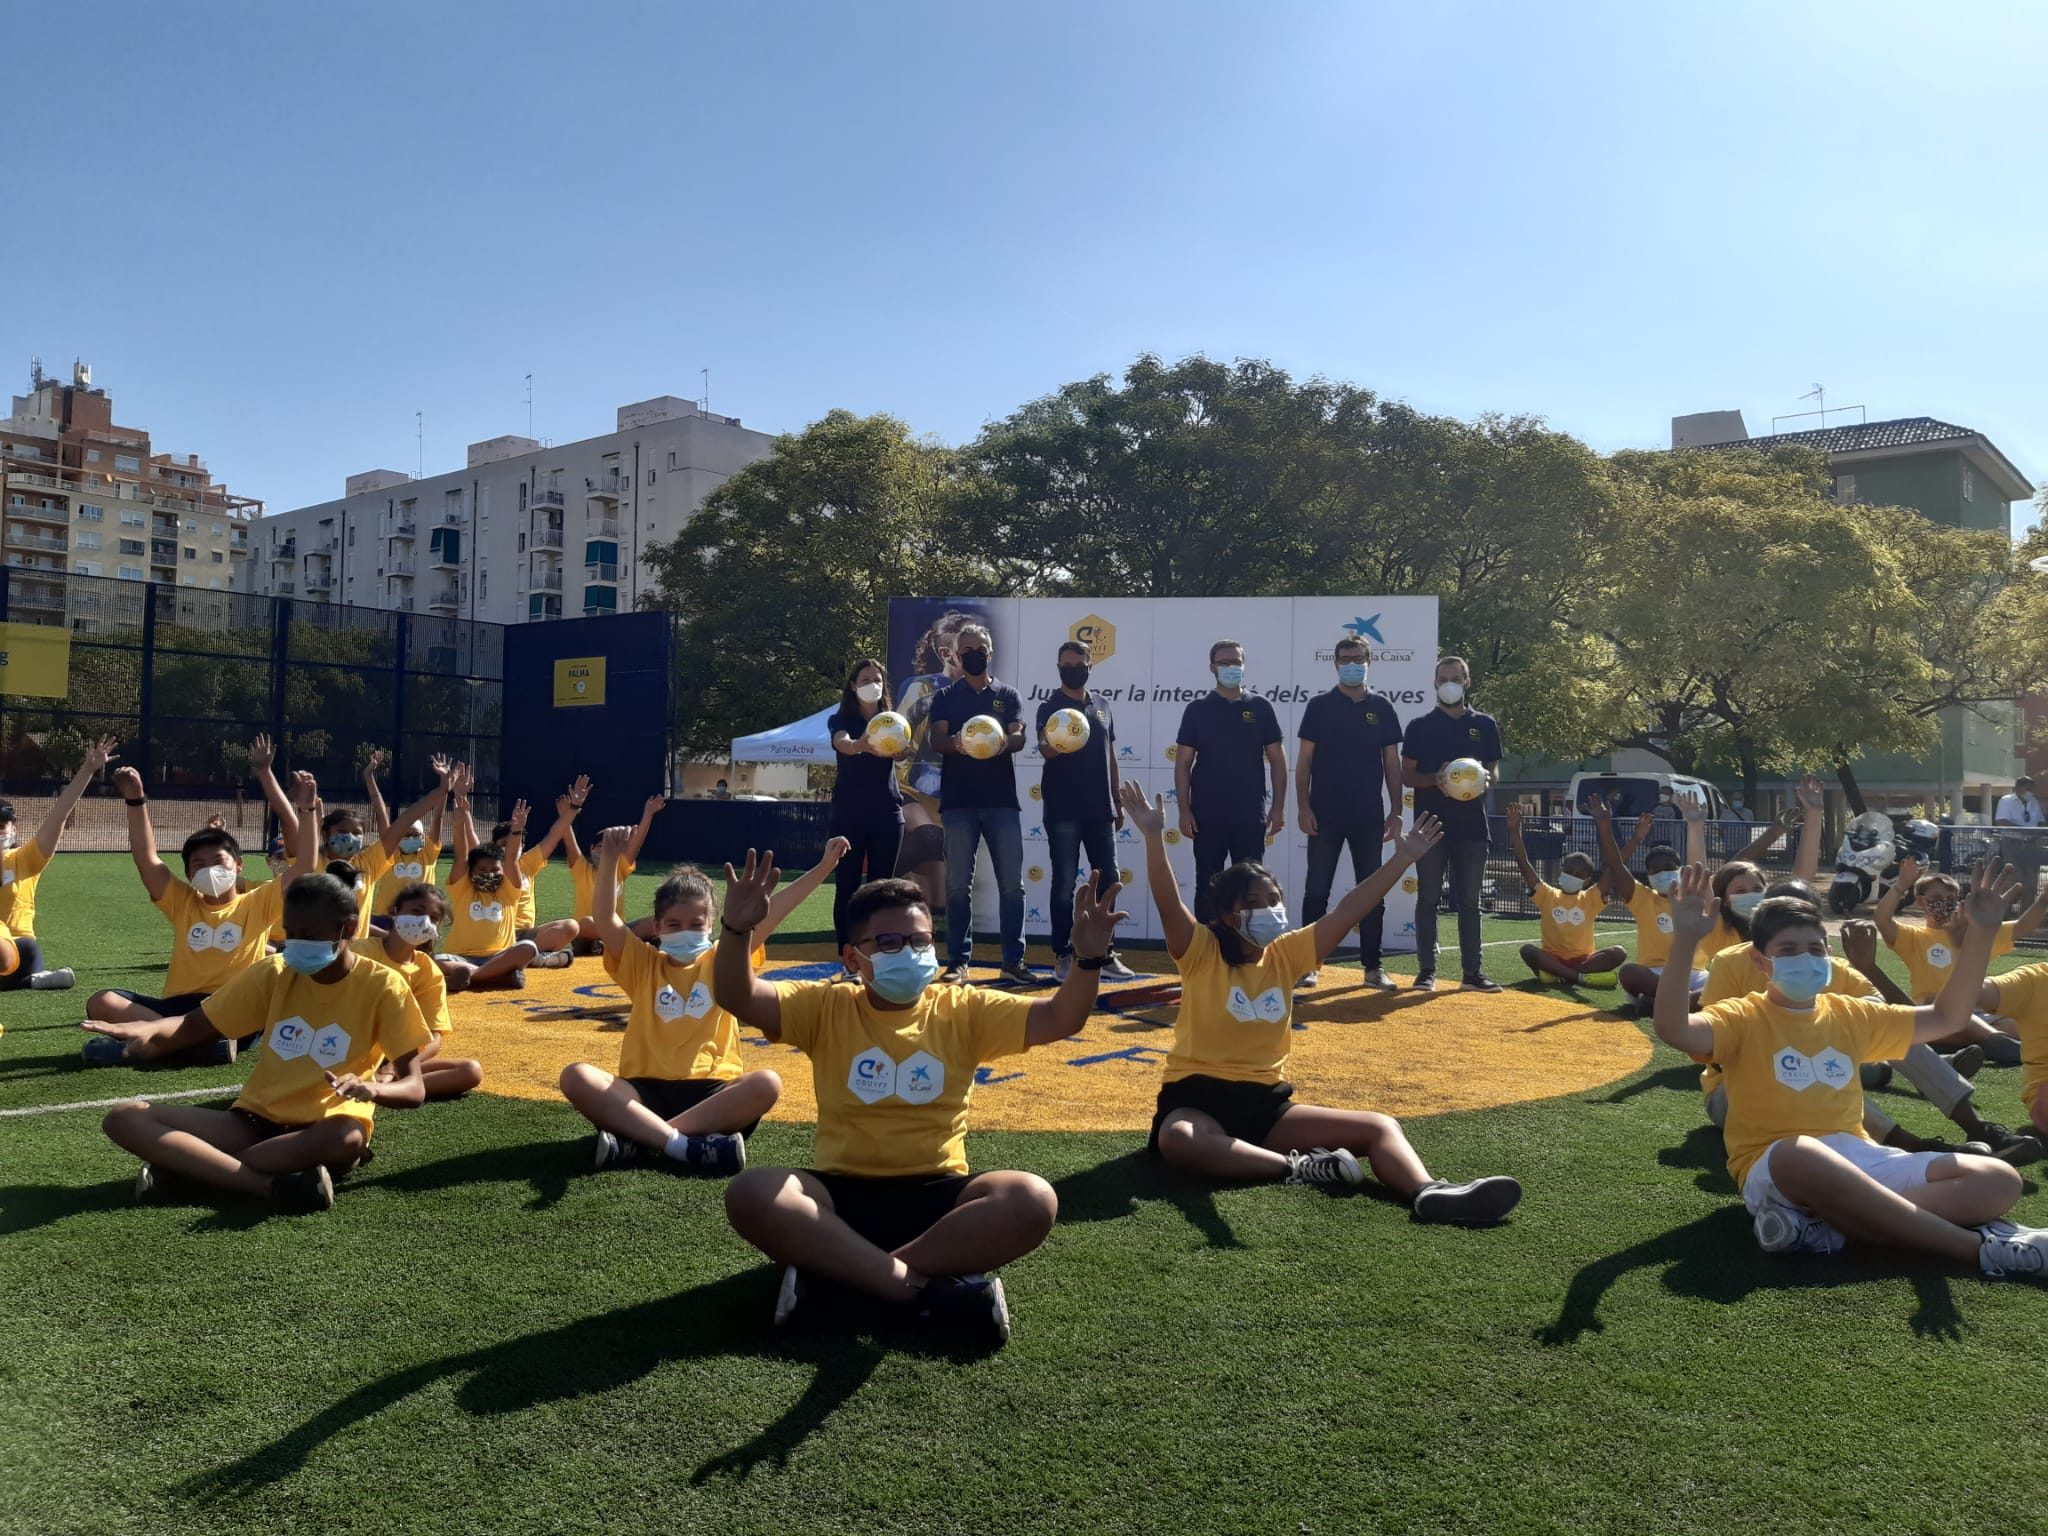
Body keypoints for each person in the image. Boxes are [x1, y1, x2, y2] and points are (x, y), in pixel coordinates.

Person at [712, 854, 1127, 1346]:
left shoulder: (963, 1008)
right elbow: (739, 996)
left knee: (1032, 1198)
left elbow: (1062, 1017)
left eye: (920, 940)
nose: (908, 951)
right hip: (839, 1198)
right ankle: (921, 1291)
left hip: (940, 1204)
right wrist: (736, 931)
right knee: (752, 1193)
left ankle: (844, 1283)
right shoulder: (825, 1006)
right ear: (853, 957)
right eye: (888, 943)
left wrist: (1087, 959)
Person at [1121, 783, 1522, 1220]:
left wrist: (1403, 858)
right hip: (1195, 1099)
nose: (1269, 910)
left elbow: (1350, 908)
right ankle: (1301, 1168)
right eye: (1253, 903)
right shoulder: (1200, 949)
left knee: (1379, 1127)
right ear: (1227, 914)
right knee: (1179, 1140)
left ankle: (1428, 1193)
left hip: (1265, 1104)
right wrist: (1152, 836)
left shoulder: (1287, 954)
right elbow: (1167, 901)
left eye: (1274, 900)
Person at [1652, 861, 2048, 1277]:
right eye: (1788, 951)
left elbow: (1948, 1017)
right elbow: (1674, 1028)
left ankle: (1824, 1229)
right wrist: (1684, 941)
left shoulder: (1849, 1014)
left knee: (1999, 1179)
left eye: (1815, 949)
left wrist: (1982, 934)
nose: (1804, 959)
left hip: (1859, 1155)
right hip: (1777, 1167)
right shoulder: (1743, 1016)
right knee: (1799, 1150)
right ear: (1760, 961)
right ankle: (1982, 1251)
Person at [89, 870, 431, 1213]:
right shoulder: (275, 971)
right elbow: (193, 1026)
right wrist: (148, 1029)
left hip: (320, 1130)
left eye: (308, 934)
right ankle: (265, 1185)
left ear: (349, 928)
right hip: (251, 1123)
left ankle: (193, 1171)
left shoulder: (384, 986)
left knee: (348, 1137)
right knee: (124, 1117)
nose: (295, 943)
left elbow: (414, 1088)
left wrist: (374, 1090)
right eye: (291, 933)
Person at [559, 828, 845, 1172]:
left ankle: (642, 1139)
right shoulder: (643, 963)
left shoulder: (724, 958)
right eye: (674, 924)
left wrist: (824, 867)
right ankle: (684, 1146)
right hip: (642, 1093)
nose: (686, 932)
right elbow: (606, 919)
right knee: (576, 1076)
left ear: (713, 924)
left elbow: (773, 914)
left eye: (697, 924)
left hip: (712, 1095)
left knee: (766, 1083)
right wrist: (608, 860)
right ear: (657, 926)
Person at [80, 765, 306, 1066]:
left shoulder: (257, 902)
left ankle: (144, 1043)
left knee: (221, 1022)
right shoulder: (183, 902)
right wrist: (136, 800)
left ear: (238, 865)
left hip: (234, 1009)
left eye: (218, 860)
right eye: (198, 864)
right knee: (101, 1001)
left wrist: (308, 808)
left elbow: (304, 865)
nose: (209, 869)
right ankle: (192, 1044)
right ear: (187, 874)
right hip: (180, 1007)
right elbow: (147, 859)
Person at [1294, 636, 1405, 992]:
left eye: (1357, 658)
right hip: (1324, 814)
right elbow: (1304, 762)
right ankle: (1308, 964)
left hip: (1369, 815)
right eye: (1344, 659)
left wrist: (1397, 809)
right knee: (1316, 890)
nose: (1351, 663)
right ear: (1336, 663)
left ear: (1369, 661)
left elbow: (1392, 763)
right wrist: (1303, 806)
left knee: (1372, 891)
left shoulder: (1383, 707)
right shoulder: (1319, 706)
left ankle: (1373, 968)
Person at [927, 622, 1031, 987]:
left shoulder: (1009, 694)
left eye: (979, 648)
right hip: (958, 805)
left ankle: (1013, 962)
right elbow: (937, 740)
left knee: (1012, 887)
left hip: (1002, 803)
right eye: (966, 649)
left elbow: (1019, 735)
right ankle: (958, 961)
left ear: (990, 651)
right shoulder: (944, 698)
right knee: (957, 886)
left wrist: (1001, 742)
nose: (974, 654)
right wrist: (960, 743)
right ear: (955, 655)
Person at [1875, 856, 2048, 1066]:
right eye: (1937, 897)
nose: (1945, 902)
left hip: (1976, 1013)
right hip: (1932, 1012)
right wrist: (1901, 885)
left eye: (1951, 897)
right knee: (1935, 1003)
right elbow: (1882, 921)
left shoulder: (1974, 932)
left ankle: (1982, 1041)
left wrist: (2043, 900)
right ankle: (1993, 1042)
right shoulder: (1913, 937)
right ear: (1920, 901)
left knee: (2022, 1027)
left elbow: (2022, 926)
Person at [1400, 656, 1502, 993]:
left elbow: (1494, 772)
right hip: (1430, 827)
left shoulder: (1485, 724)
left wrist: (1483, 780)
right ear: (1434, 683)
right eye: (1443, 678)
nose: (1449, 684)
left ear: (1467, 682)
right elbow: (1407, 775)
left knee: (1470, 903)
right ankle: (1427, 971)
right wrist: (1437, 779)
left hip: (1472, 828)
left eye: (1455, 678)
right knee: (1428, 898)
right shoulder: (1419, 726)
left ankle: (1472, 973)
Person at [1037, 638, 1136, 983]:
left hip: (1100, 810)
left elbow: (1110, 755)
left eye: (1078, 665)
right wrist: (1056, 744)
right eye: (1066, 665)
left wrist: (1117, 799)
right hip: (1063, 809)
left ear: (1089, 666)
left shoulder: (1103, 705)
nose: (1072, 670)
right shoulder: (1050, 706)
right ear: (1058, 667)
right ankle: (1064, 955)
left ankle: (1105, 953)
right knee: (1064, 882)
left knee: (1109, 880)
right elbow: (1044, 749)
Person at [1175, 639, 1286, 926]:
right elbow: (1184, 763)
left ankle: (1250, 952)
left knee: (1252, 888)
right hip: (1206, 816)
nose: (1230, 667)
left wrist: (1278, 808)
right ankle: (1209, 954)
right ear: (1212, 668)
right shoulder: (1197, 709)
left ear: (1244, 665)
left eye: (1235, 662)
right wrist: (1184, 811)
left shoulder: (1261, 707)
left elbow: (1277, 760)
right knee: (1208, 887)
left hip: (1249, 816)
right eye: (1224, 663)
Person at [0, 734, 118, 991]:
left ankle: (28, 978)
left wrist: (87, 770)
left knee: (11, 942)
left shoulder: (23, 860)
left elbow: (58, 816)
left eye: (2, 825)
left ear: (14, 830)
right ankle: (32, 981)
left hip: (17, 950)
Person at [350, 881, 482, 1102]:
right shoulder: (359, 952)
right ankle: (377, 1088)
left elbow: (433, 1038)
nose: (423, 921)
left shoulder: (429, 971)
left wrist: (391, 1068)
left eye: (433, 919)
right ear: (394, 912)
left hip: (397, 1056)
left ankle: (373, 1089)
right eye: (417, 912)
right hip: (349, 1047)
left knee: (471, 1070)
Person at [894, 608, 978, 910]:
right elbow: (900, 732)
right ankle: (878, 871)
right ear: (946, 652)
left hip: (951, 798)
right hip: (913, 790)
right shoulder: (923, 687)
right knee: (930, 838)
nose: (974, 653)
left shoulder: (982, 691)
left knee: (938, 903)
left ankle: (902, 880)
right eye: (966, 648)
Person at [828, 658, 908, 966]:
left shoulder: (892, 721)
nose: (871, 684)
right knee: (847, 886)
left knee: (881, 888)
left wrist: (900, 748)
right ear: (852, 685)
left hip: (887, 813)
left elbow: (902, 753)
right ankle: (847, 956)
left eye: (876, 679)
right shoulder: (840, 719)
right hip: (847, 815)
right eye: (864, 679)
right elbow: (843, 744)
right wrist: (861, 744)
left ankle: (877, 954)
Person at [1598, 796, 1708, 1011]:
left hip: (1695, 975)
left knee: (1727, 981)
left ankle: (1664, 1003)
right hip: (1655, 974)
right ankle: (1686, 1002)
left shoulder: (1696, 896)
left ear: (1679, 869)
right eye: (1656, 870)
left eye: (1668, 867)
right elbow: (1616, 866)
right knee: (1629, 973)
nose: (1663, 873)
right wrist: (1606, 826)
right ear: (1647, 875)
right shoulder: (1642, 897)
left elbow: (1706, 866)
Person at [438, 767, 541, 992]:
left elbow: (512, 859)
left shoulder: (507, 891)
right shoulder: (463, 889)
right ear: (471, 871)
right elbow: (461, 855)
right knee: (433, 961)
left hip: (500, 955)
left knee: (528, 948)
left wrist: (516, 832)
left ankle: (474, 977)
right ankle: (497, 978)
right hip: (460, 957)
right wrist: (458, 811)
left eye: (494, 869)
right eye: (482, 869)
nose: (488, 873)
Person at [1506, 803, 1627, 987]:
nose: (1572, 876)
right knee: (1528, 951)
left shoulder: (1591, 898)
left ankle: (1559, 975)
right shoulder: (1547, 894)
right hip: (1551, 958)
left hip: (1584, 960)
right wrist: (1515, 830)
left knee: (1618, 952)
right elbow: (1523, 864)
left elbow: (1614, 867)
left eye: (1578, 875)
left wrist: (1608, 829)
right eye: (1568, 871)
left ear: (1587, 881)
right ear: (1561, 871)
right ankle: (1578, 978)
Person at [1995, 777, 2045, 906]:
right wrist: (2023, 830)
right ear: (2018, 788)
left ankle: (2025, 916)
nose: (2030, 792)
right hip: (2013, 844)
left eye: (2032, 790)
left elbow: (2040, 821)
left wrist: (2038, 830)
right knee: (2012, 880)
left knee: (2031, 882)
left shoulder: (2033, 802)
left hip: (2032, 845)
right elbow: (2001, 821)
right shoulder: (2006, 801)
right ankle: (2004, 914)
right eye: (2028, 789)